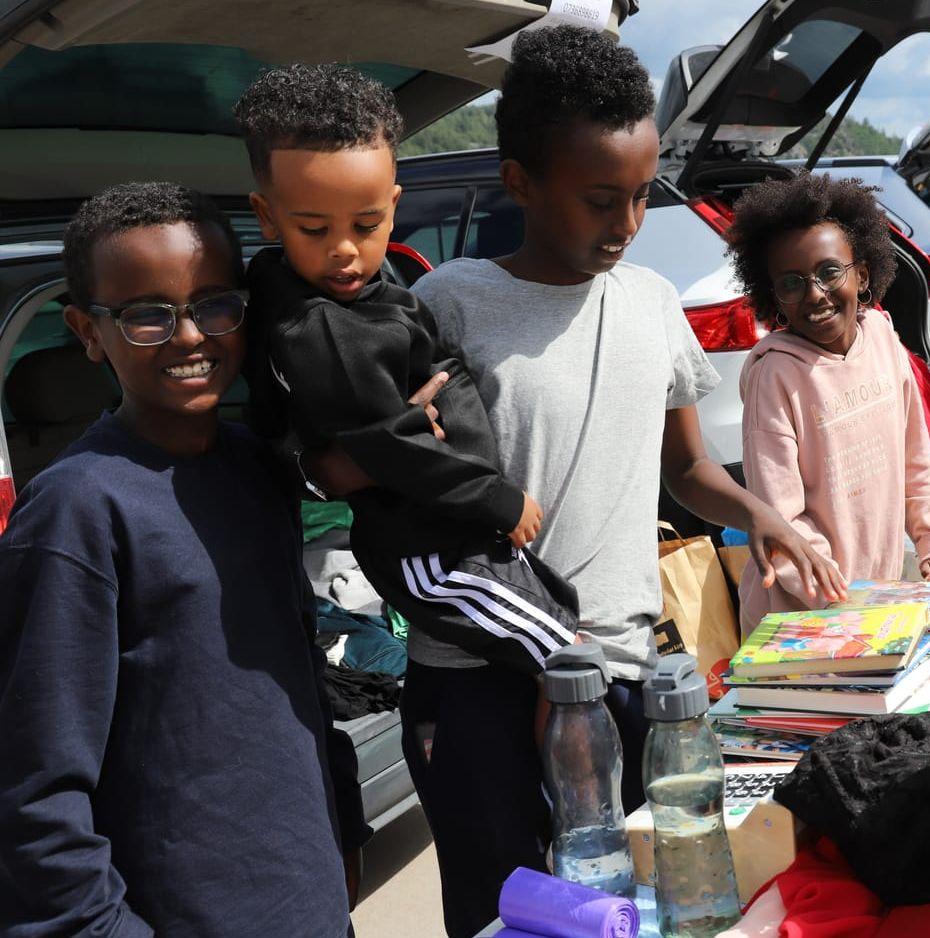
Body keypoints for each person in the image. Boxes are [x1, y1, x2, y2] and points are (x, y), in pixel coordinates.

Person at [305, 26, 840, 937]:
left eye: (640, 196)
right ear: (521, 182)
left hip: (623, 673)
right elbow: (346, 467)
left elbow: (688, 469)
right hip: (479, 685)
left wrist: (763, 516)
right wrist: (382, 445)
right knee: (506, 911)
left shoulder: (653, 302)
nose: (627, 224)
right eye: (601, 200)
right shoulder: (449, 305)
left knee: (635, 905)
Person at [0, 183, 365, 936]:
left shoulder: (254, 468)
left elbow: (295, 686)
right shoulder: (78, 510)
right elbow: (33, 794)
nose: (190, 336)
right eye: (145, 315)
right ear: (87, 331)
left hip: (308, 903)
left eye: (213, 304)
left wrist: (344, 832)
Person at [234, 64, 579, 680]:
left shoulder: (352, 293)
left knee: (556, 637)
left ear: (394, 207)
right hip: (427, 545)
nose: (344, 249)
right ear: (267, 215)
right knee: (561, 655)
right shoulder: (317, 326)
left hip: (452, 527)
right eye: (313, 229)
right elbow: (388, 443)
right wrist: (498, 499)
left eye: (366, 226)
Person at [724, 172, 930, 630]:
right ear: (772, 294)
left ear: (864, 273)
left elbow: (916, 457)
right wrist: (840, 598)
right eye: (792, 283)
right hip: (800, 617)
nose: (815, 293)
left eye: (829, 271)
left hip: (872, 599)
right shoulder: (774, 376)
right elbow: (781, 516)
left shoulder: (882, 336)